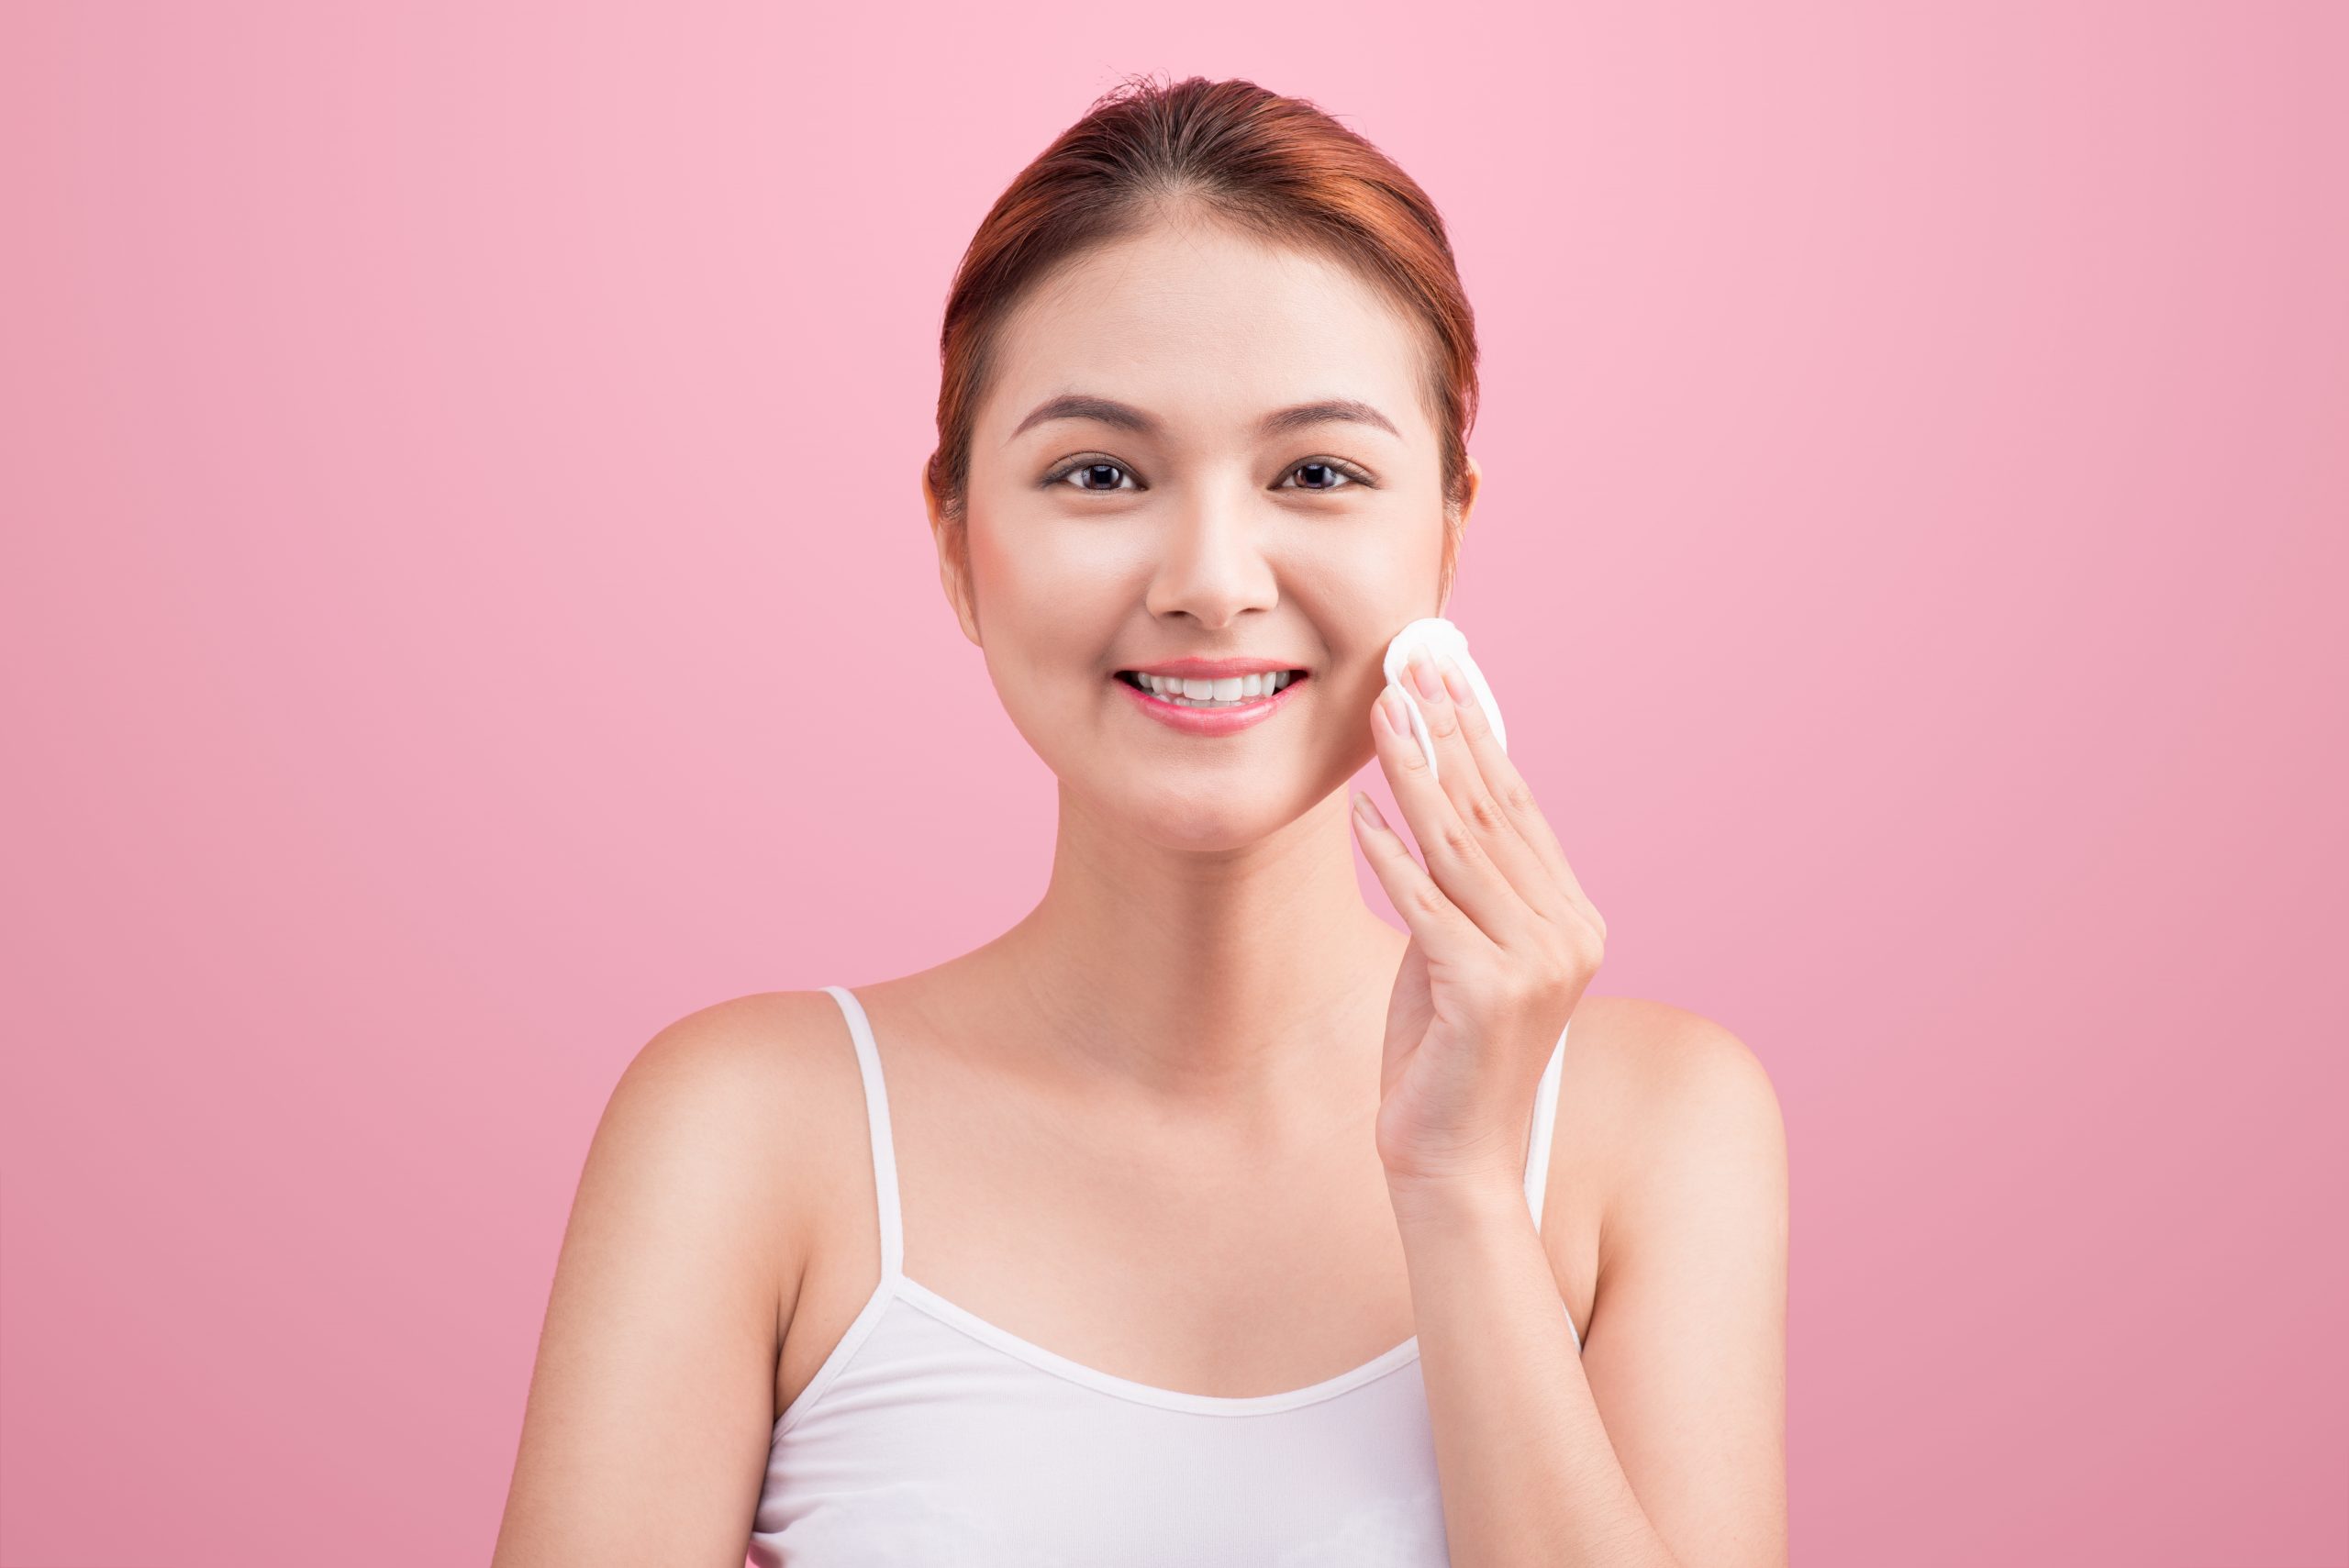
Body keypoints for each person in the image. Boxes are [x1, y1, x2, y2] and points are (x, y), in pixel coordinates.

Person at [493, 72, 1787, 1568]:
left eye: (1318, 472)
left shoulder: (1656, 1127)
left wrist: (1461, 1191)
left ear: (1446, 534)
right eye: (1099, 472)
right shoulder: (745, 1127)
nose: (1212, 578)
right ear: (958, 545)